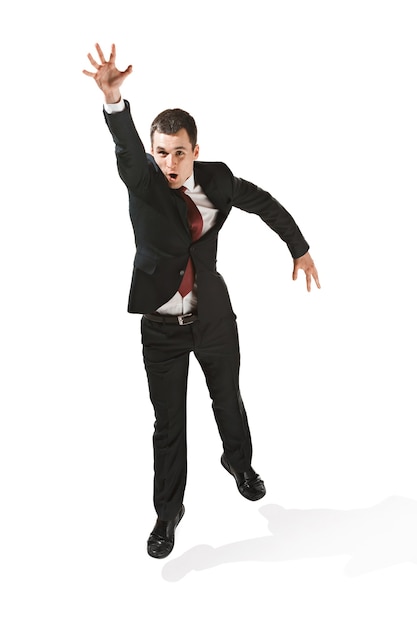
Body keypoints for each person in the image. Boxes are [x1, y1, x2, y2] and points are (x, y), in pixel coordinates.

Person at [83, 43, 320, 559]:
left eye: (179, 151)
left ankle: (239, 462)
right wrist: (115, 101)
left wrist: (298, 248)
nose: (170, 162)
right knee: (169, 425)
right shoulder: (143, 181)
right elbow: (126, 145)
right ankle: (167, 515)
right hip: (162, 327)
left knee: (228, 400)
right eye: (161, 151)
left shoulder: (218, 180)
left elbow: (265, 204)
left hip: (213, 316)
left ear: (195, 149)